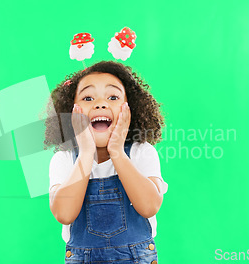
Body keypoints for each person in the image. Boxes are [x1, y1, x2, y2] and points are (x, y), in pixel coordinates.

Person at [44, 61, 168, 263]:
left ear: (130, 109)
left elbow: (149, 206)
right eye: (88, 97)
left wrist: (117, 151)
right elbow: (64, 214)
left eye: (112, 97)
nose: (100, 104)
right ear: (71, 111)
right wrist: (85, 153)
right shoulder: (64, 160)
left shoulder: (141, 152)